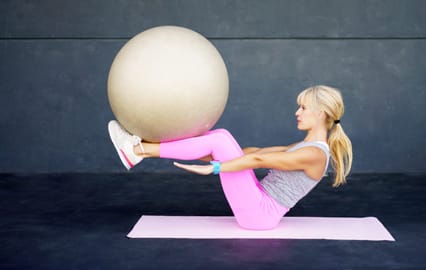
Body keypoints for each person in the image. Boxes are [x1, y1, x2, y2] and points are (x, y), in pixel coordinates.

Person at [108, 85, 353, 230]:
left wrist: (216, 168)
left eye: (303, 108)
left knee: (220, 140)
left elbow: (259, 162)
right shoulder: (305, 145)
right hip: (257, 201)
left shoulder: (314, 154)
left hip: (260, 215)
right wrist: (207, 154)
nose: (297, 112)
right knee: (221, 136)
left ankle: (138, 151)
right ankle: (142, 146)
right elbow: (254, 153)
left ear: (321, 114)